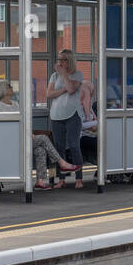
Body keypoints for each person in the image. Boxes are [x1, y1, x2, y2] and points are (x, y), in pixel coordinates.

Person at [0, 79, 78, 189]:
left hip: (22, 138)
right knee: (44, 138)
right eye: (9, 86)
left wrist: (28, 132)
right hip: (10, 141)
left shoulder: (16, 104)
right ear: (2, 90)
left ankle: (40, 181)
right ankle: (62, 163)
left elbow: (23, 122)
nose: (12, 88)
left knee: (40, 149)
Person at [46, 48, 85, 188]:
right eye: (59, 59)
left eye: (64, 60)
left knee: (74, 145)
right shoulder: (53, 76)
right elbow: (48, 95)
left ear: (70, 61)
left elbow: (71, 89)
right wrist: (62, 89)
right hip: (56, 115)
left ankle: (79, 178)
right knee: (59, 147)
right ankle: (61, 179)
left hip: (72, 115)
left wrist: (64, 76)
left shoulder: (77, 74)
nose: (60, 62)